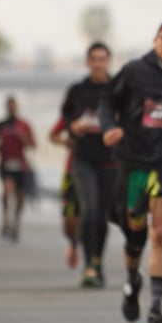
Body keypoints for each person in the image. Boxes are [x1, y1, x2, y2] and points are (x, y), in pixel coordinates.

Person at [99, 19, 162, 323]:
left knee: (161, 233)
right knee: (135, 237)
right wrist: (110, 128)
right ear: (156, 40)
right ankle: (133, 279)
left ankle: (155, 309)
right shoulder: (135, 71)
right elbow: (107, 101)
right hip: (134, 164)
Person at [61, 42, 119, 288]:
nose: (98, 63)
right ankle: (88, 265)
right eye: (94, 59)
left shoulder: (119, 89)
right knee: (90, 210)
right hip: (83, 159)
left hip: (111, 160)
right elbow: (65, 118)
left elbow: (131, 117)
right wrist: (73, 127)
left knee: (102, 215)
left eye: (102, 59)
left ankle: (97, 262)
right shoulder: (77, 90)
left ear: (108, 62)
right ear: (88, 62)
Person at [0, 96, 36, 241]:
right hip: (5, 163)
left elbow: (33, 145)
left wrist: (25, 140)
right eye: (9, 106)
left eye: (14, 106)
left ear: (17, 107)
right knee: (7, 190)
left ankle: (16, 223)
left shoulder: (24, 124)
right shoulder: (0, 125)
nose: (12, 109)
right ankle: (6, 221)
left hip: (21, 164)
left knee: (19, 196)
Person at [49, 116, 80, 269]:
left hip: (99, 171)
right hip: (72, 172)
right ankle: (73, 241)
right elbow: (52, 135)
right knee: (69, 222)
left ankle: (92, 261)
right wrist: (65, 142)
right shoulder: (72, 111)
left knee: (91, 215)